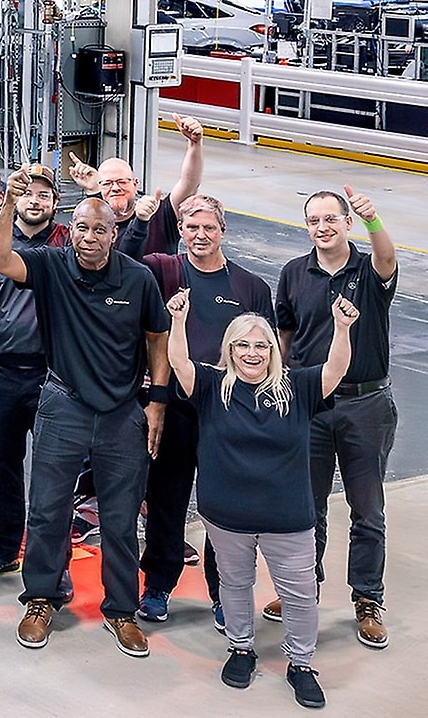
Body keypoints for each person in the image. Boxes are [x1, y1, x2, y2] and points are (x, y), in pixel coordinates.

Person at [0, 179, 171, 658]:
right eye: (82, 228)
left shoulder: (138, 279)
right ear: (71, 232)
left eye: (99, 229)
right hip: (63, 404)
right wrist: (9, 202)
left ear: (114, 233)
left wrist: (156, 401)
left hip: (122, 413)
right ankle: (42, 598)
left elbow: (157, 338)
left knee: (120, 518)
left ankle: (122, 610)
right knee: (47, 510)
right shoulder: (51, 265)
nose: (89, 237)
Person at [170, 294, 357, 709]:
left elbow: (335, 369)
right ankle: (241, 648)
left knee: (300, 594)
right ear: (230, 349)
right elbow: (179, 363)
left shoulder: (298, 387)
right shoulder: (211, 386)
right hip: (226, 518)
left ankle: (301, 663)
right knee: (235, 584)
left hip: (288, 518)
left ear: (272, 350)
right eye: (243, 345)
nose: (252, 353)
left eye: (261, 345)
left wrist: (342, 329)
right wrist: (179, 321)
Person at [134, 194, 273, 626]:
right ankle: (158, 585)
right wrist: (155, 399)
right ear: (180, 230)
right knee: (165, 500)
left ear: (223, 231)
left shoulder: (250, 288)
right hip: (175, 409)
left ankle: (223, 592)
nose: (200, 235)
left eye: (209, 227)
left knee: (223, 507)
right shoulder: (161, 271)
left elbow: (266, 354)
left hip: (226, 413)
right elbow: (123, 266)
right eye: (191, 227)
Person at [274, 185, 399, 648]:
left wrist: (374, 220)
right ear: (307, 226)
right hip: (311, 405)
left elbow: (387, 257)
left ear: (347, 223)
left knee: (367, 510)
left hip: (366, 405)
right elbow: (286, 337)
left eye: (331, 219)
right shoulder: (293, 273)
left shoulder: (369, 270)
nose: (322, 227)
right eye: (314, 220)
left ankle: (367, 599)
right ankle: (302, 589)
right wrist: (280, 390)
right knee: (308, 507)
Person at [0, 163, 69, 583]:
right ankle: (4, 548)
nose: (35, 201)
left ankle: (53, 561)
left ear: (56, 203)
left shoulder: (67, 246)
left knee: (53, 471)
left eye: (44, 195)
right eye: (28, 193)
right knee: (2, 465)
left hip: (52, 375)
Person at [69, 114, 206, 257]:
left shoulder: (160, 215)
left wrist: (195, 144)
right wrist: (92, 190)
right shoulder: (94, 225)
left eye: (122, 182)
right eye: (108, 183)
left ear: (135, 184)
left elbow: (190, 182)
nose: (115, 188)